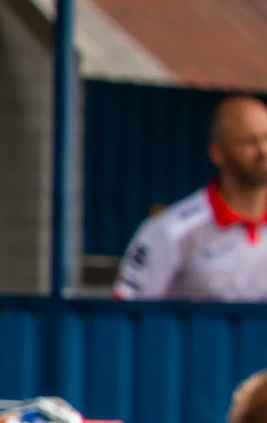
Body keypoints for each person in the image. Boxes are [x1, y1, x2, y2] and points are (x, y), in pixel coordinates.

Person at [114, 95, 267, 301]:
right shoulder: (170, 230)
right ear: (217, 153)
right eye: (249, 141)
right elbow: (126, 314)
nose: (263, 150)